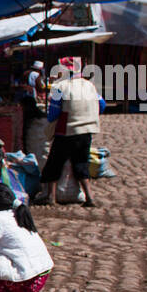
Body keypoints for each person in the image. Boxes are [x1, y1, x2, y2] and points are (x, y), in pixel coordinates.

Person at [35, 56, 105, 207]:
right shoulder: (89, 86)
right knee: (81, 163)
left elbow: (54, 111)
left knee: (55, 162)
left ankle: (51, 197)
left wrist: (50, 124)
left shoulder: (61, 87)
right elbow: (102, 104)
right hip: (87, 130)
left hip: (67, 131)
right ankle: (89, 197)